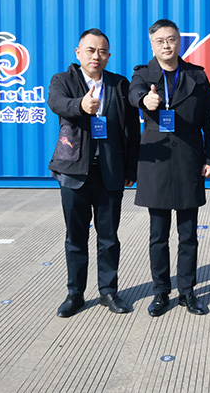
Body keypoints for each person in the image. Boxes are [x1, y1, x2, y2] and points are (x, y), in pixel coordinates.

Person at [129, 19, 210, 317]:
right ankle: (160, 292)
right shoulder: (143, 74)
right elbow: (133, 94)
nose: (166, 45)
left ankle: (187, 292)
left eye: (171, 39)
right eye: (160, 41)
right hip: (156, 162)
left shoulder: (196, 75)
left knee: (188, 234)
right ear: (152, 44)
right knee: (158, 235)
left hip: (189, 161)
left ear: (179, 42)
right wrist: (146, 99)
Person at [47, 28, 140, 318]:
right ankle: (75, 293)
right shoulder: (63, 80)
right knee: (75, 237)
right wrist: (80, 105)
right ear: (78, 53)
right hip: (74, 172)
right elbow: (56, 103)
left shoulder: (119, 84)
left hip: (110, 172)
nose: (96, 56)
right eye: (90, 50)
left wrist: (130, 168)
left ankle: (108, 291)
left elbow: (131, 130)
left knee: (108, 236)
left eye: (102, 51)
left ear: (108, 55)